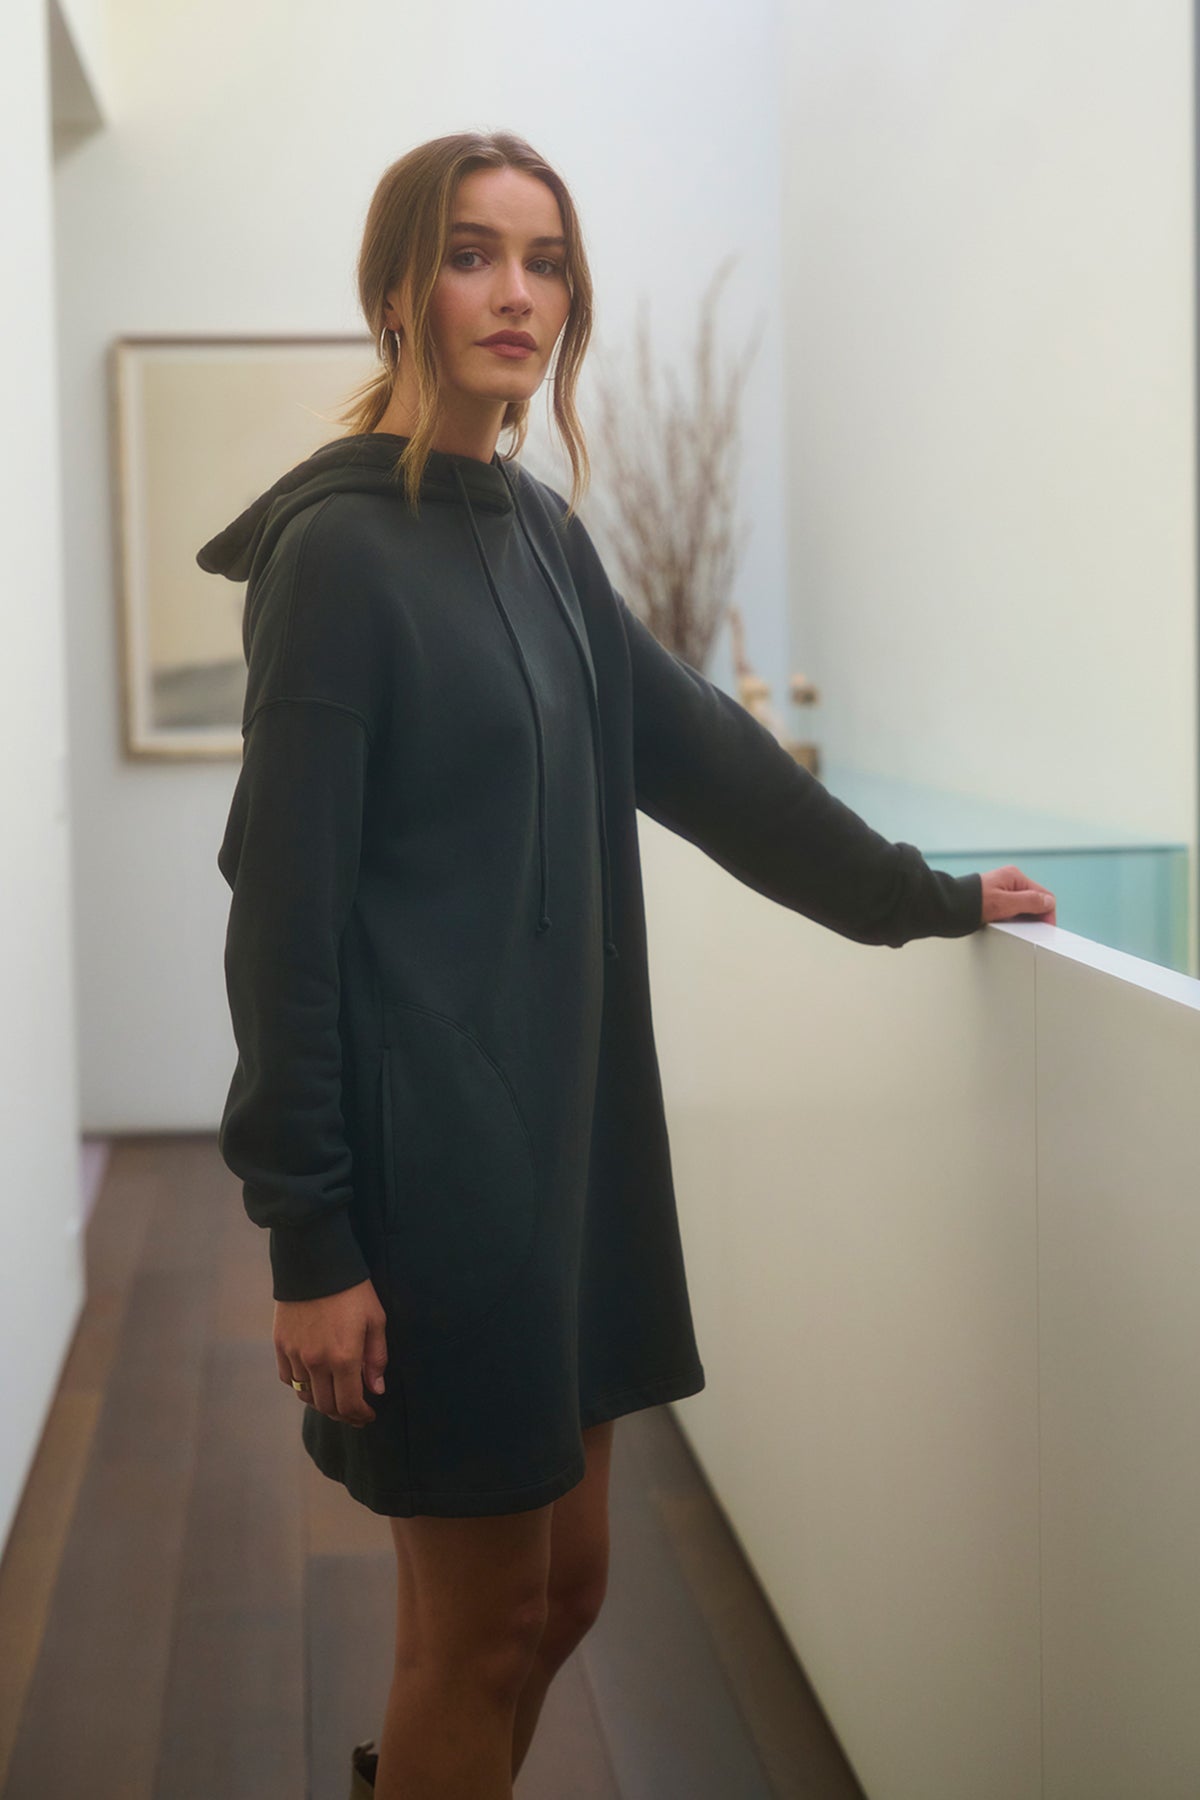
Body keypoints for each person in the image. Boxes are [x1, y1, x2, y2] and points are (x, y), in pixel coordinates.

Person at [197, 130, 1057, 1800]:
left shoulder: (539, 537)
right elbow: (279, 917)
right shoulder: (336, 560)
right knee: (485, 1631)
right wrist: (308, 1231)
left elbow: (716, 767)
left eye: (547, 258)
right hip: (433, 1176)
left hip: (571, 1161)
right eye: (470, 252)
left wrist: (931, 897)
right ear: (394, 290)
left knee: (565, 1590)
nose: (516, 292)